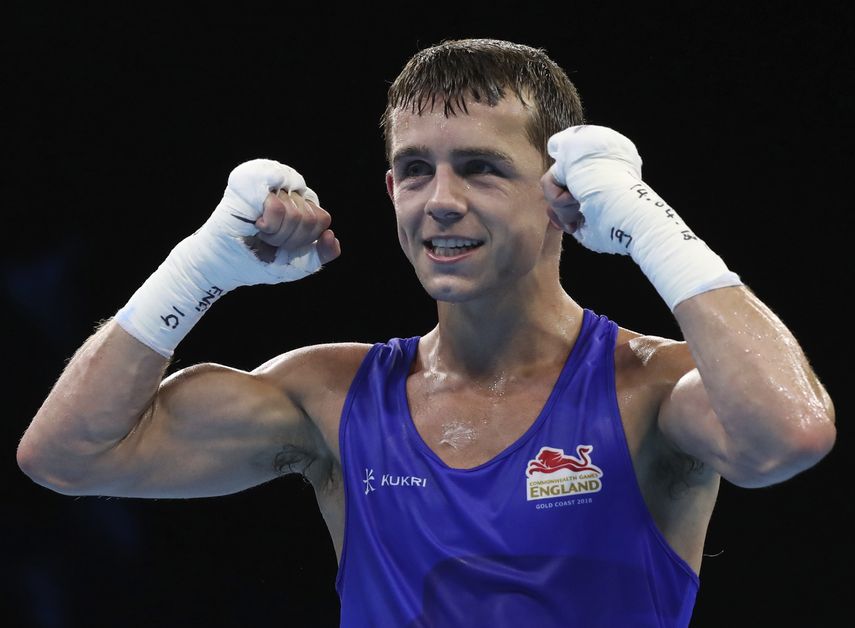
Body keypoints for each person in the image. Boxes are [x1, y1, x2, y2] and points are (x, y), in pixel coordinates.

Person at [17, 38, 836, 627]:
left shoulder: (653, 387)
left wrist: (652, 230)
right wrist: (195, 270)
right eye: (415, 169)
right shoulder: (328, 396)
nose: (439, 199)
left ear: (559, 194)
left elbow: (789, 434)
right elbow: (66, 458)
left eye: (480, 167)